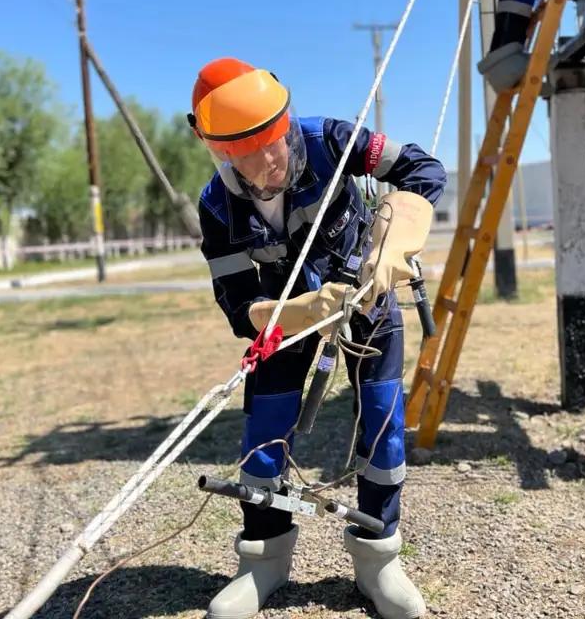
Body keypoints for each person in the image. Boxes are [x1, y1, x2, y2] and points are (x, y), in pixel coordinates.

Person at [189, 57, 446, 619]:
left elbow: (423, 172)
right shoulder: (216, 206)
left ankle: (379, 560)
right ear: (217, 148)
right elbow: (236, 305)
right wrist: (299, 311)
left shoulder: (332, 140)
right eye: (244, 152)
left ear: (287, 122)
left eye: (273, 141)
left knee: (382, 424)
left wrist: (395, 238)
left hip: (368, 297)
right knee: (263, 431)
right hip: (289, 321)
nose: (267, 162)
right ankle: (264, 561)